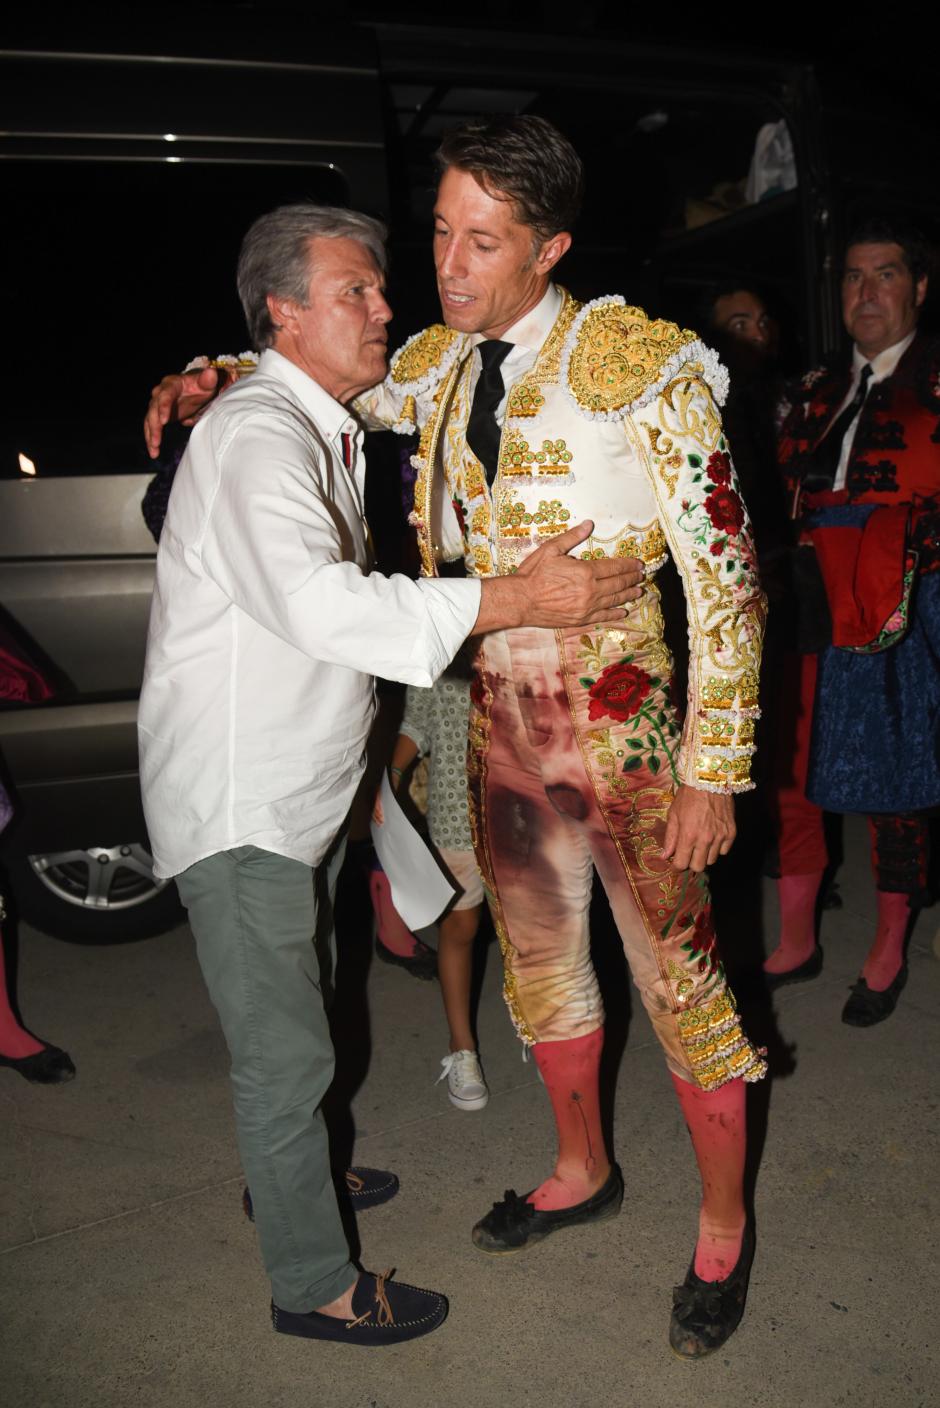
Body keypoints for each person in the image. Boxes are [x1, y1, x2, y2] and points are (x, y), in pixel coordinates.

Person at [144, 115, 767, 1358]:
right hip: (500, 730)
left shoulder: (639, 361)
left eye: (482, 240)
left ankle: (721, 1223)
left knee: (684, 989)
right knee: (542, 973)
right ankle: (580, 1167)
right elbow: (308, 361)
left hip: (632, 738)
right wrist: (212, 367)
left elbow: (727, 573)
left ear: (550, 249)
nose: (449, 263)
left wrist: (717, 763)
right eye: (439, 232)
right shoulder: (431, 366)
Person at [768, 215, 940, 1026]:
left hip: (904, 601)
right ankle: (796, 936)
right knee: (793, 768)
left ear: (920, 288)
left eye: (886, 274)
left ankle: (888, 944)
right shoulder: (810, 391)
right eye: (853, 278)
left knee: (893, 777)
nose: (866, 293)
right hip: (810, 599)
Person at [374, 649, 488, 1110]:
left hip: (523, 813)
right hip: (455, 813)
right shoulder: (439, 634)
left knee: (535, 937)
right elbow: (417, 721)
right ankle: (462, 1050)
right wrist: (392, 778)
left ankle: (546, 1038)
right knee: (460, 928)